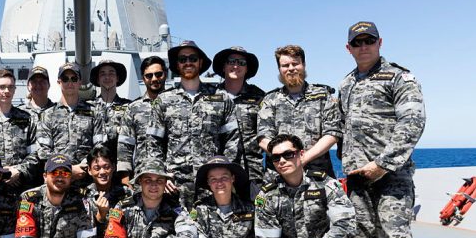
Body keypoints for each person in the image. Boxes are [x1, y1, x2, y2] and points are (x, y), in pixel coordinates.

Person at [339, 21, 426, 238]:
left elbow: (412, 122)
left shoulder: (400, 78)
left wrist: (382, 165)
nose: (364, 46)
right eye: (357, 42)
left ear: (379, 42)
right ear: (349, 48)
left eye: (369, 40)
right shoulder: (346, 83)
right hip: (358, 179)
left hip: (391, 176)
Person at [145, 40, 244, 209]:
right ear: (177, 64)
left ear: (200, 62)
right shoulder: (164, 101)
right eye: (183, 59)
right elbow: (153, 142)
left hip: (211, 185)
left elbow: (232, 140)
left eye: (193, 58)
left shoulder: (221, 99)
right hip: (174, 186)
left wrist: (221, 174)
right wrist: (162, 175)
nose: (188, 62)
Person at [258, 45, 341, 177]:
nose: (291, 68)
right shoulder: (270, 100)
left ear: (303, 65)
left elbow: (332, 133)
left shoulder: (322, 96)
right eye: (285, 65)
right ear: (279, 69)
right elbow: (263, 138)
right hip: (278, 176)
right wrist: (287, 158)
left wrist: (302, 159)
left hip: (317, 176)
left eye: (295, 63)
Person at [36, 62, 105, 182]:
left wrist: (83, 166)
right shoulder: (47, 115)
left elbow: (99, 146)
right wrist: (67, 169)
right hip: (58, 178)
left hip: (86, 178)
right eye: (65, 79)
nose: (70, 83)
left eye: (74, 79)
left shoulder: (94, 112)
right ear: (59, 82)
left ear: (79, 82)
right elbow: (43, 151)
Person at [212, 46, 266, 192]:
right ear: (223, 66)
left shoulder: (260, 97)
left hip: (253, 174)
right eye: (231, 61)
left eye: (241, 63)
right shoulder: (209, 97)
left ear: (247, 69)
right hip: (219, 175)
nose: (236, 66)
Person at [116, 56, 167, 182]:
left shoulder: (176, 104)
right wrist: (125, 178)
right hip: (142, 175)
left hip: (170, 174)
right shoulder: (134, 108)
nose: (154, 79)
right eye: (149, 76)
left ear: (165, 74)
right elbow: (125, 144)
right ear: (143, 78)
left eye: (158, 74)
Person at [90, 59, 132, 157]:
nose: (107, 77)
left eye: (111, 73)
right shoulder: (88, 107)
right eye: (103, 74)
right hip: (94, 164)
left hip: (120, 162)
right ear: (98, 79)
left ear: (117, 78)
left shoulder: (129, 106)